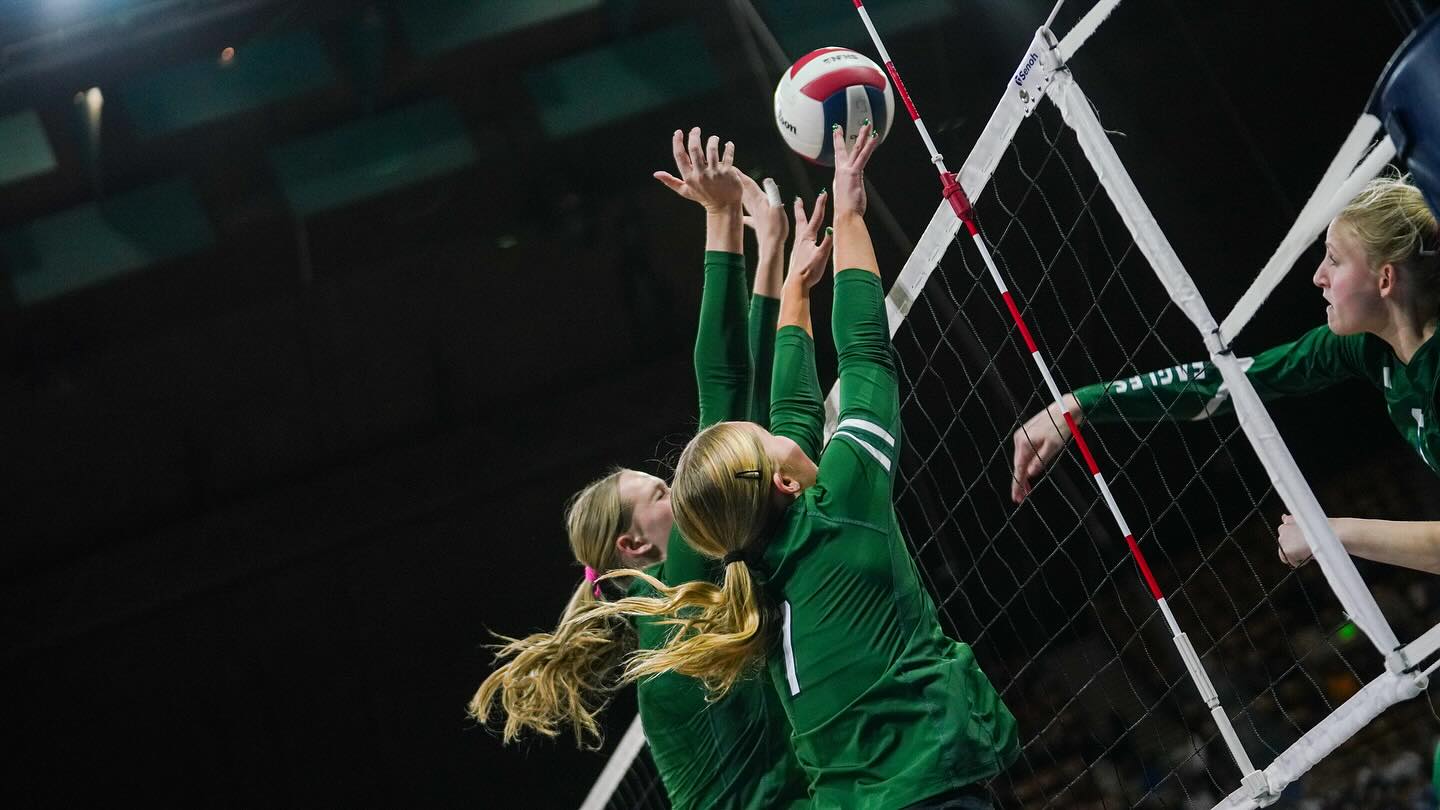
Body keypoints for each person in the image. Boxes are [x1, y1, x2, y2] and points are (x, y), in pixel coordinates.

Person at [587, 123, 1020, 810]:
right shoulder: (840, 509)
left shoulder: (743, 573)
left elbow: (788, 415)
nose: (784, 432)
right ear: (784, 482)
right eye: (662, 492)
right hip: (930, 792)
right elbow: (862, 356)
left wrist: (787, 282)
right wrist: (848, 211)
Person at [469, 127, 834, 809]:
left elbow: (741, 425)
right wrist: (722, 221)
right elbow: (724, 403)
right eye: (663, 491)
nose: (688, 486)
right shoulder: (681, 600)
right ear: (633, 545)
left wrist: (771, 256)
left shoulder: (679, 599)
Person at [1010, 173, 1439, 574]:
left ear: (1385, 280)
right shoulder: (1364, 345)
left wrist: (1328, 534)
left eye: (1334, 260)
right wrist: (1083, 403)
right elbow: (1230, 385)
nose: (1318, 276)